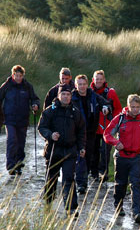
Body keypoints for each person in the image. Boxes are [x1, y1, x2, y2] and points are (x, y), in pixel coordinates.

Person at [103, 94, 140, 223]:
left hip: (137, 156)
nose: (135, 109)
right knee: (121, 184)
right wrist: (115, 142)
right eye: (133, 107)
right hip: (121, 157)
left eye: (137, 107)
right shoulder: (120, 119)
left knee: (136, 183)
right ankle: (118, 207)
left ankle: (136, 212)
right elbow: (107, 134)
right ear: (128, 106)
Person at [38, 84, 86, 216]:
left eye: (68, 94)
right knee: (51, 178)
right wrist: (50, 135)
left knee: (69, 178)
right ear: (59, 96)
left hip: (70, 151)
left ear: (71, 96)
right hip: (53, 150)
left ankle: (70, 208)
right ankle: (48, 201)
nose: (66, 97)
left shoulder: (75, 112)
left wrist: (81, 147)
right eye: (63, 94)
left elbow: (81, 131)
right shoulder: (50, 111)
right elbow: (41, 127)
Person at [0, 65, 40, 175]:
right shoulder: (6, 86)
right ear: (13, 75)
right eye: (16, 76)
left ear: (23, 76)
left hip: (23, 119)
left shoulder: (27, 86)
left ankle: (18, 164)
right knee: (11, 140)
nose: (18, 78)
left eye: (20, 76)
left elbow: (35, 98)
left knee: (21, 142)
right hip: (9, 119)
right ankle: (10, 166)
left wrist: (35, 105)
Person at [71, 74, 111, 194]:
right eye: (79, 84)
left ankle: (83, 178)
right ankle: (81, 183)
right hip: (76, 133)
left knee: (88, 157)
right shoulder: (71, 97)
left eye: (84, 84)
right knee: (80, 156)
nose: (82, 87)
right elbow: (59, 104)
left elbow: (106, 103)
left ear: (87, 84)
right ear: (75, 85)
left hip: (90, 132)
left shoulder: (92, 95)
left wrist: (105, 108)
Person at [90, 70, 122, 182]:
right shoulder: (89, 92)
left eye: (100, 79)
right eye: (96, 79)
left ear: (104, 80)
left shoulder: (111, 92)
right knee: (94, 151)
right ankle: (93, 173)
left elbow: (118, 108)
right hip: (93, 127)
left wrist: (115, 123)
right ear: (93, 79)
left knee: (105, 151)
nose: (98, 81)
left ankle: (103, 173)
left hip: (107, 127)